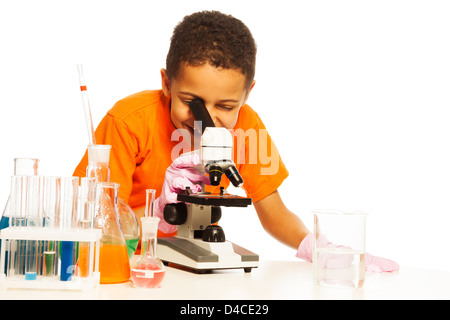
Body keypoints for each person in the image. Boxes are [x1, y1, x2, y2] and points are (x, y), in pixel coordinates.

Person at [73, 10, 398, 272]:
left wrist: (318, 247)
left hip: (187, 265)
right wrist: (157, 213)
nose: (208, 120)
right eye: (192, 101)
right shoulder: (129, 121)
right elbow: (93, 214)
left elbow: (273, 210)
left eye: (226, 106)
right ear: (167, 84)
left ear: (246, 95)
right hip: (127, 264)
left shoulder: (247, 126)